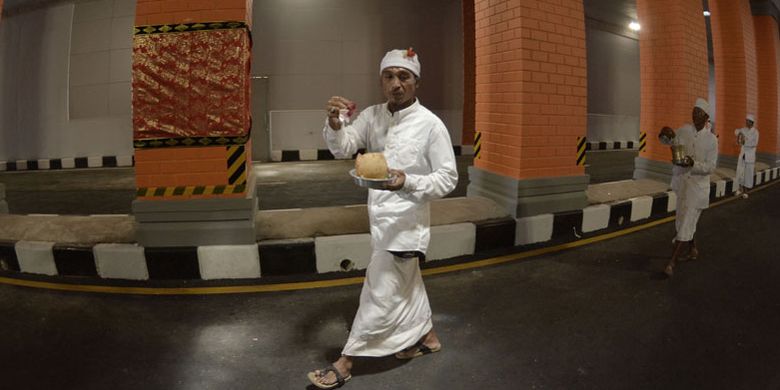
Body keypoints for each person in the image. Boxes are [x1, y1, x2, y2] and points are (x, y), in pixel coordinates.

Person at [307, 48, 458, 389]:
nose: (396, 84)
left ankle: (346, 361)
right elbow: (344, 147)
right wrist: (335, 122)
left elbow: (448, 178)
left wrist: (410, 180)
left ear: (416, 81)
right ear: (381, 81)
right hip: (379, 220)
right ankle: (428, 337)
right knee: (407, 285)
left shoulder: (431, 125)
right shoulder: (374, 116)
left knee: (381, 290)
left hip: (407, 224)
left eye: (404, 76)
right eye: (389, 76)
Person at [664, 98, 718, 278]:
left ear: (706, 117)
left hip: (697, 189)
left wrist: (693, 163)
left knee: (687, 221)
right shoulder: (684, 130)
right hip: (682, 184)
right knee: (682, 219)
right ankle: (693, 249)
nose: (695, 115)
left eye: (699, 113)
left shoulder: (711, 140)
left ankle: (671, 262)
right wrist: (668, 136)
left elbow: (710, 167)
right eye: (693, 112)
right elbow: (673, 145)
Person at [734, 114, 759, 199]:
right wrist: (740, 133)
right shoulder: (744, 129)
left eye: (747, 121)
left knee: (747, 175)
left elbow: (754, 143)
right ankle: (740, 189)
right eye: (746, 121)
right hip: (743, 155)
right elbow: (736, 131)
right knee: (740, 173)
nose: (746, 122)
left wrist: (745, 141)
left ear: (751, 123)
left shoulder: (755, 132)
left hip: (750, 156)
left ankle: (745, 192)